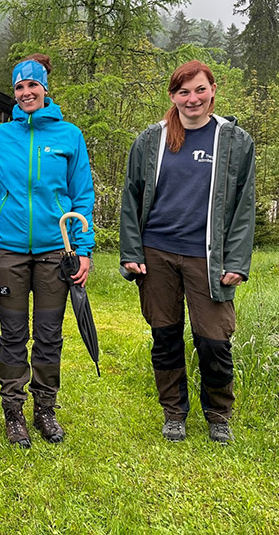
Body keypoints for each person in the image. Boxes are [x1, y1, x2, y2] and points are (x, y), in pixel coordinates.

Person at [120, 60, 255, 444]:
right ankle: (173, 412)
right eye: (183, 92)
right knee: (165, 335)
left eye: (199, 89)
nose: (192, 98)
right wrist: (132, 250)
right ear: (172, 96)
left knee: (213, 340)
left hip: (208, 257)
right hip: (157, 253)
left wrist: (238, 262)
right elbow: (130, 198)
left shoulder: (234, 141)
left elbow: (244, 205)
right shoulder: (151, 140)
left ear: (213, 89)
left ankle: (218, 413)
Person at [0, 54, 95, 447]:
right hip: (8, 251)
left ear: (46, 90)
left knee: (49, 334)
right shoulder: (0, 137)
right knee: (13, 334)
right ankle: (13, 413)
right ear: (13, 93)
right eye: (19, 87)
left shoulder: (69, 136)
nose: (26, 92)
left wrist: (83, 250)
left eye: (33, 86)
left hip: (56, 250)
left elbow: (82, 195)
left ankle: (45, 409)